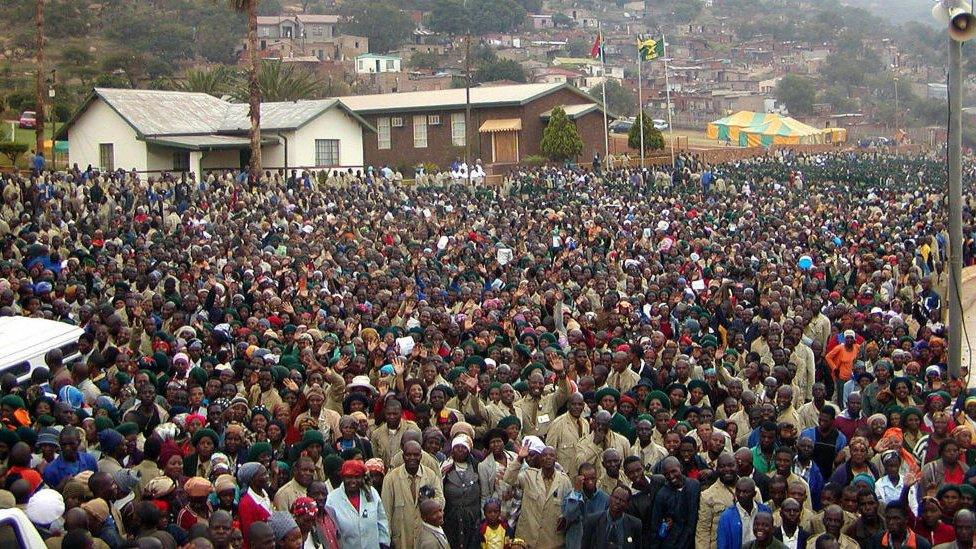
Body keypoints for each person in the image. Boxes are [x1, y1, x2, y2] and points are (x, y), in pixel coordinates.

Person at [381, 440, 444, 549]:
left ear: (421, 456)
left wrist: (427, 502)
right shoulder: (391, 478)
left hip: (424, 536)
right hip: (401, 538)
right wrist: (387, 539)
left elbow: (441, 501)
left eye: (416, 455)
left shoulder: (430, 475)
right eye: (408, 455)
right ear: (403, 456)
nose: (412, 458)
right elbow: (386, 512)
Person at [326, 458, 390, 549]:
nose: (353, 481)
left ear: (362, 478)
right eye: (349, 477)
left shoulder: (372, 493)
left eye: (357, 477)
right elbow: (330, 532)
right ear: (343, 477)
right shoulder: (332, 499)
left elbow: (382, 521)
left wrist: (384, 543)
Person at [649, 456, 701, 549]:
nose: (671, 476)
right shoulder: (662, 495)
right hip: (673, 543)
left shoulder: (694, 485)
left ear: (680, 468)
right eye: (667, 474)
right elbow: (655, 525)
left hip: (694, 541)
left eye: (673, 471)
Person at [563, 462, 610, 549]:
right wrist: (576, 492)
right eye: (586, 479)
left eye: (593, 478)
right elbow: (568, 516)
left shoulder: (605, 498)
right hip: (576, 543)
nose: (590, 482)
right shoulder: (571, 495)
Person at [698, 453, 738, 549]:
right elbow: (703, 529)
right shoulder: (707, 496)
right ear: (716, 469)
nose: (727, 469)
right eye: (722, 466)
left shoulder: (751, 489)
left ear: (737, 466)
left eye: (730, 465)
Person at [718, 477, 771, 549]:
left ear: (754, 494)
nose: (741, 495)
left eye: (745, 492)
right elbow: (723, 545)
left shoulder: (765, 511)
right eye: (738, 492)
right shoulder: (726, 516)